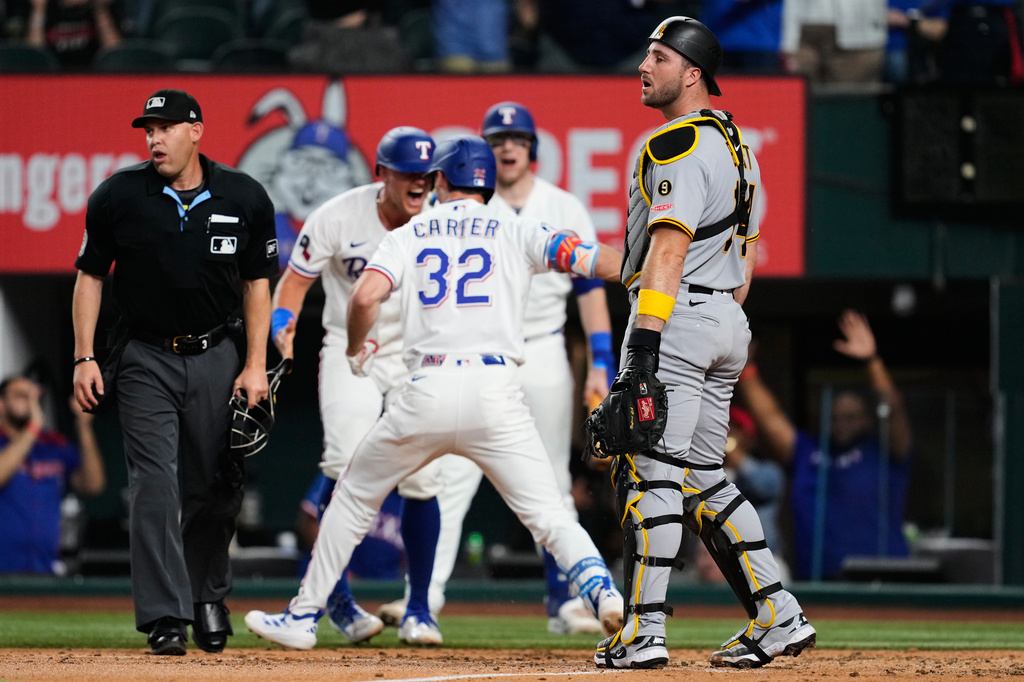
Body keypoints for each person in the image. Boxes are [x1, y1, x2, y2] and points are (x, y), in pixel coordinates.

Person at [244, 135, 626, 651]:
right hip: (497, 393)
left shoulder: (416, 229)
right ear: (488, 183)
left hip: (425, 388)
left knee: (353, 496)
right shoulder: (517, 226)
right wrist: (656, 270)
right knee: (550, 513)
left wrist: (356, 347)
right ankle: (600, 588)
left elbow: (365, 295)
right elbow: (591, 260)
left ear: (442, 181)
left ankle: (304, 615)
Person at [591, 16, 815, 670]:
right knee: (703, 478)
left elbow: (669, 248)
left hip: (676, 323)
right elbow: (738, 269)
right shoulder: (740, 148)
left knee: (648, 476)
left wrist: (647, 348)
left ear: (692, 72)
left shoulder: (675, 144)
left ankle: (643, 632)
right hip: (725, 322)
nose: (644, 66)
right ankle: (779, 614)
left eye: (658, 57)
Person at [374, 102, 616, 637]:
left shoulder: (561, 205)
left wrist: (601, 363)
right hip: (471, 354)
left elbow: (590, 290)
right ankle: (425, 598)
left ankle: (566, 602)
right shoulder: (457, 212)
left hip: (542, 348)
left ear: (532, 148)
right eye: (497, 138)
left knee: (549, 479)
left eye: (517, 138)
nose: (508, 146)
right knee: (448, 479)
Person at [72, 89, 278, 656]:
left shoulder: (244, 194)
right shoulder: (119, 195)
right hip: (144, 356)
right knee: (153, 486)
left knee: (217, 486)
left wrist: (256, 365)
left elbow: (258, 283)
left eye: (165, 128)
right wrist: (84, 356)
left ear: (197, 131)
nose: (154, 138)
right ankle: (166, 617)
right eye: (148, 129)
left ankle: (206, 594)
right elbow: (90, 275)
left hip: (218, 353)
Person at [270, 126, 447, 646]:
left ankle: (419, 609)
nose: (418, 181)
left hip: (418, 353)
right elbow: (296, 281)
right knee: (342, 461)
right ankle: (338, 600)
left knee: (422, 480)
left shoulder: (445, 220)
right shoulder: (339, 214)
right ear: (381, 174)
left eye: (425, 173)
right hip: (351, 350)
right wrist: (283, 322)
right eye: (407, 172)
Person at [736, 310, 913, 581]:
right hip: (821, 580)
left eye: (850, 417)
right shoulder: (810, 452)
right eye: (834, 417)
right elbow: (771, 420)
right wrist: (747, 369)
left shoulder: (883, 451)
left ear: (868, 419)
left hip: (883, 576)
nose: (840, 424)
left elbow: (894, 411)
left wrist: (871, 361)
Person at [0, 374, 105, 574]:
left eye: (33, 396)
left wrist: (83, 426)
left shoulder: (52, 444)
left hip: (44, 565)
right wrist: (33, 426)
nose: (30, 402)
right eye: (21, 396)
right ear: (1, 403)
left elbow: (93, 485)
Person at [782, 0, 888, 85]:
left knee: (850, 104)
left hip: (860, 31)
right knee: (802, 103)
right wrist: (789, 42)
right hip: (806, 25)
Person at [25, 0, 121, 69]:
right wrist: (38, 10)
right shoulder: (46, 6)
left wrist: (101, 11)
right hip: (53, 78)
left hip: (92, 76)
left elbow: (115, 55)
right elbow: (35, 56)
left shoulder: (101, 7)